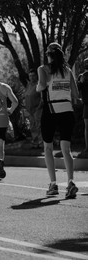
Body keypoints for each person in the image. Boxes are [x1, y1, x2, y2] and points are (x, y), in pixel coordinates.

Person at [37, 42, 80, 199]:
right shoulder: (67, 71)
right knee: (66, 150)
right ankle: (70, 182)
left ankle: (53, 184)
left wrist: (38, 87)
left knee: (48, 148)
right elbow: (75, 93)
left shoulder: (43, 69)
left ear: (49, 55)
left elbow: (41, 86)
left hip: (50, 110)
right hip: (67, 110)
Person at [24, 69, 43, 148]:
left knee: (39, 126)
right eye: (30, 76)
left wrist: (38, 108)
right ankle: (35, 143)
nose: (31, 77)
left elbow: (42, 98)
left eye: (33, 75)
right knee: (32, 127)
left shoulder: (39, 84)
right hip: (30, 110)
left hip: (37, 109)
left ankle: (41, 143)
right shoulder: (29, 85)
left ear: (36, 76)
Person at [77, 57, 88, 156]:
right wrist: (81, 81)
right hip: (87, 105)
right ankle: (87, 147)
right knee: (87, 127)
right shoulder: (82, 76)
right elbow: (77, 89)